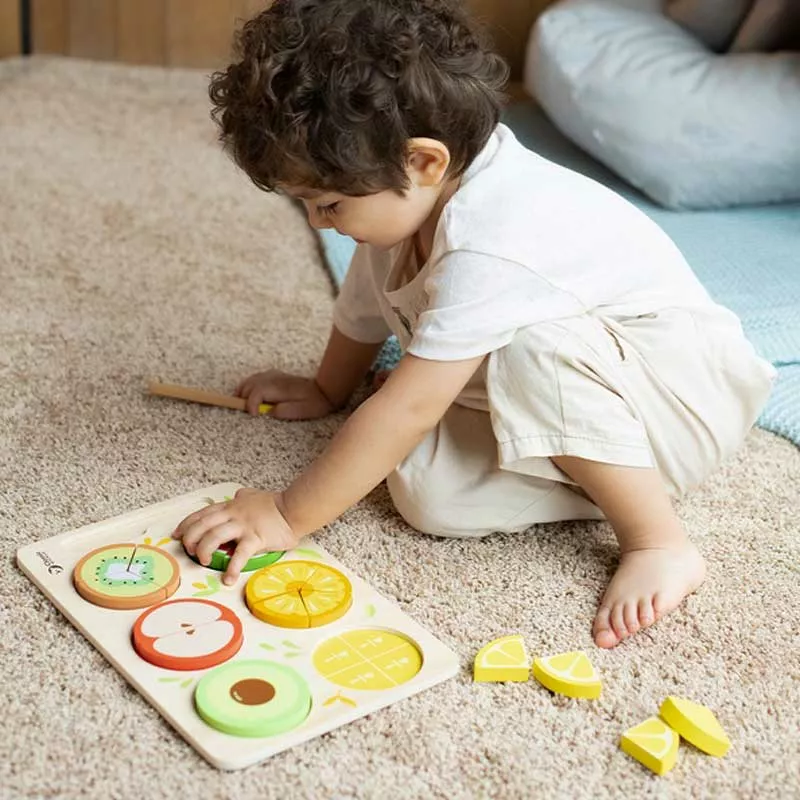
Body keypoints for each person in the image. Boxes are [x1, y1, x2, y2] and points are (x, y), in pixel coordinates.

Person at [172, 0, 774, 648]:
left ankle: (657, 538)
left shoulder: (494, 235)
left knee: (507, 362)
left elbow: (407, 410)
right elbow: (367, 305)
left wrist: (288, 516)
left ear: (424, 162)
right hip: (599, 396)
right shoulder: (402, 197)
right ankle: (588, 466)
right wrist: (327, 389)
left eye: (329, 205)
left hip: (679, 398)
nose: (320, 222)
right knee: (424, 493)